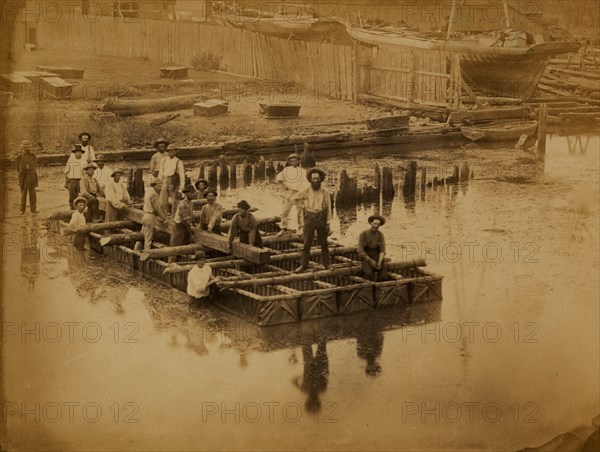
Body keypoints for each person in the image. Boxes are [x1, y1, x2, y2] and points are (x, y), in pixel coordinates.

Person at [292, 168, 332, 272]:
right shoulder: (306, 190)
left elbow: (328, 208)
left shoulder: (325, 192)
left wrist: (328, 223)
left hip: (321, 217)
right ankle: (303, 264)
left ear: (320, 179)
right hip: (309, 218)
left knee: (324, 243)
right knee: (307, 242)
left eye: (317, 178)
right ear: (310, 179)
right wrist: (302, 206)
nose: (315, 180)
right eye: (313, 178)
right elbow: (293, 199)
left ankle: (327, 264)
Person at [275, 153, 308, 235]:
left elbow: (306, 184)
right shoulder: (286, 170)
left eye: (295, 160)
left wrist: (302, 192)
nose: (293, 162)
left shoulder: (303, 171)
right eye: (291, 161)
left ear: (298, 161)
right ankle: (284, 228)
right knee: (285, 211)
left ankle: (300, 228)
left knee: (300, 211)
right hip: (289, 192)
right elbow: (279, 179)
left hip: (299, 192)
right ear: (289, 162)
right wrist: (283, 187)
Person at [137, 177, 167, 252]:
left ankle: (136, 250)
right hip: (150, 217)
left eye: (161, 186)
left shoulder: (148, 192)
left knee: (142, 236)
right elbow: (157, 209)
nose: (160, 188)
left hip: (145, 215)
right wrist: (164, 219)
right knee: (148, 238)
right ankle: (147, 254)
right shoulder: (154, 195)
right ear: (154, 185)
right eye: (158, 186)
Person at [357, 214, 389, 281]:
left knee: (384, 276)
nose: (376, 226)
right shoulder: (363, 234)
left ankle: (380, 289)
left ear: (380, 225)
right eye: (374, 224)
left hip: (377, 256)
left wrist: (379, 262)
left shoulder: (380, 235)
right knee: (369, 274)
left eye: (378, 224)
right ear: (371, 223)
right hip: (366, 257)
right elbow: (360, 250)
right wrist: (371, 261)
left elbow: (382, 250)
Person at [158, 144, 185, 217]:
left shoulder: (179, 162)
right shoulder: (164, 160)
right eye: (170, 152)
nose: (171, 153)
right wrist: (159, 183)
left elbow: (182, 176)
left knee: (175, 203)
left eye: (173, 151)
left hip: (174, 183)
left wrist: (180, 190)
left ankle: (174, 218)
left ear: (175, 152)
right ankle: (164, 217)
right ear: (167, 152)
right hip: (165, 182)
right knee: (162, 202)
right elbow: (160, 173)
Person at [170, 184, 196, 251]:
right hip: (178, 226)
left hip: (185, 226)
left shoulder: (191, 203)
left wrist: (194, 225)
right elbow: (185, 221)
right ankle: (171, 260)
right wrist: (190, 234)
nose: (193, 194)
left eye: (193, 193)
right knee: (175, 247)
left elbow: (191, 216)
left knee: (185, 246)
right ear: (186, 194)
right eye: (191, 193)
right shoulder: (182, 204)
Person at [16, 140, 38, 214]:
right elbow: (18, 168)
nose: (27, 149)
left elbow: (34, 166)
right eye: (25, 147)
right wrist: (24, 168)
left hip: (31, 177)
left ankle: (33, 209)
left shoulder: (33, 156)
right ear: (22, 148)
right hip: (24, 178)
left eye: (28, 147)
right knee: (23, 194)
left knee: (33, 194)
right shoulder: (19, 156)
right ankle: (22, 210)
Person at [64, 144, 86, 209]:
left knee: (80, 194)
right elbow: (66, 171)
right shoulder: (71, 160)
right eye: (77, 152)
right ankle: (72, 206)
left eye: (80, 152)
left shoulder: (84, 161)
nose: (78, 153)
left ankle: (80, 207)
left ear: (81, 153)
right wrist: (65, 181)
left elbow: (85, 172)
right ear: (75, 153)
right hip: (72, 180)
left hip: (80, 179)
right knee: (72, 194)